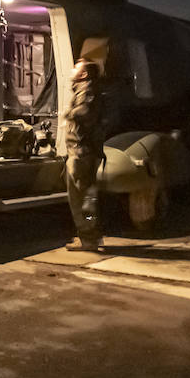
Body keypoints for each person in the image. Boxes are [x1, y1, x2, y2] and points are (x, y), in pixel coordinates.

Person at [64, 58, 107, 251]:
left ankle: (89, 239)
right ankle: (91, 237)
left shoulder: (87, 90)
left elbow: (84, 112)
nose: (73, 69)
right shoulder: (85, 89)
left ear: (84, 74)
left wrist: (69, 113)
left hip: (81, 152)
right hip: (83, 151)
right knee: (86, 198)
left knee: (80, 199)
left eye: (77, 67)